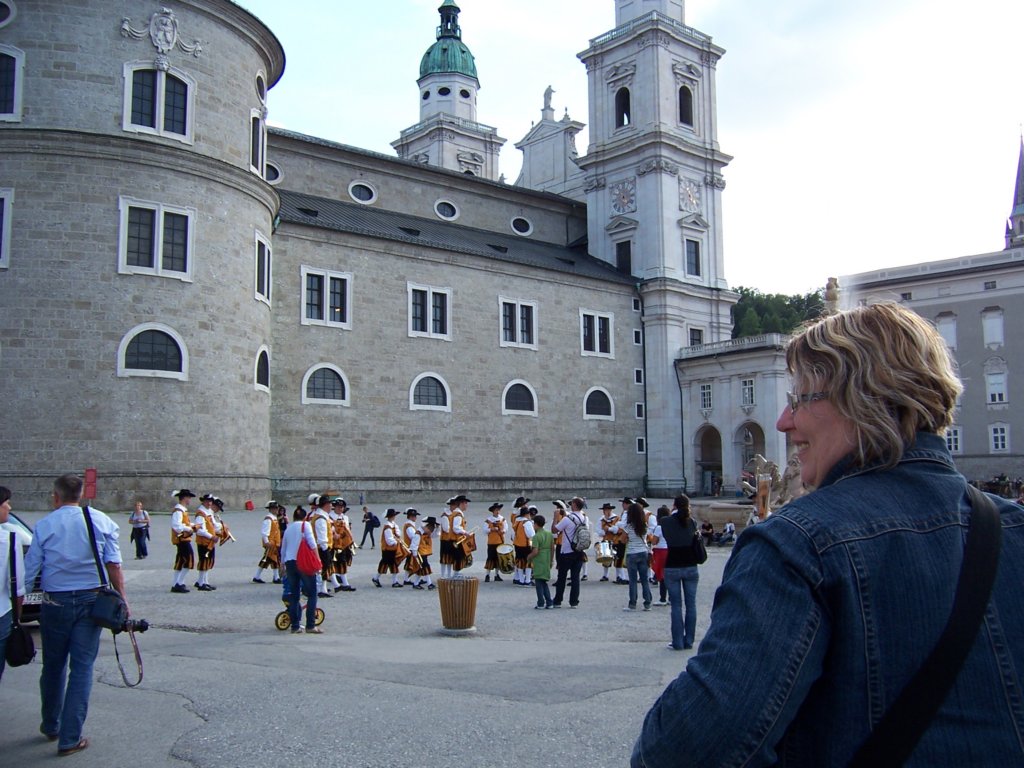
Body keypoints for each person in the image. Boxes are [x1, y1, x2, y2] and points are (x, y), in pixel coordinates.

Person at [632, 302, 1024, 767]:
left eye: (799, 399)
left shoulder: (797, 544)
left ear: (861, 400)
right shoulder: (1014, 527)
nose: (784, 421)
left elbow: (682, 752)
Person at [24, 474, 126, 756]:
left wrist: (20, 602)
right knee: (82, 668)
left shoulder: (45, 525)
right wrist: (123, 599)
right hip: (91, 600)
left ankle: (51, 723)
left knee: (53, 665)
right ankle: (70, 738)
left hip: (55, 602)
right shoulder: (102, 521)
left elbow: (31, 568)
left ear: (55, 496)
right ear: (80, 495)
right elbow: (114, 565)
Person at [659, 495, 700, 650]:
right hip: (690, 565)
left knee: (676, 606)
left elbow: (666, 533)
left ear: (674, 505)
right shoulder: (692, 522)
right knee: (691, 605)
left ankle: (677, 642)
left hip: (673, 565)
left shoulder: (665, 522)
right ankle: (689, 641)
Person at [279, 507, 321, 634]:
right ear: (304, 517)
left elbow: (283, 548)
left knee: (294, 595)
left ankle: (295, 626)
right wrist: (318, 560)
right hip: (303, 561)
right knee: (312, 594)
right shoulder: (305, 525)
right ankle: (310, 625)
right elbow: (312, 544)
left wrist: (282, 565)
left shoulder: (288, 528)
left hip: (290, 562)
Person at [1, 485, 26, 683]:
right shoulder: (9, 539)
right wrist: (17, 619)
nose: (9, 508)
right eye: (6, 503)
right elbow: (17, 588)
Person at [611, 502, 652, 611]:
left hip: (632, 553)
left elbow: (622, 540)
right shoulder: (644, 525)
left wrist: (629, 539)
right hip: (643, 552)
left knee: (633, 580)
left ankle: (632, 603)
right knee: (644, 579)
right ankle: (647, 603)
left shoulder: (629, 526)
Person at [552, 499, 585, 608]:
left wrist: (555, 518)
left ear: (574, 505)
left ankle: (558, 601)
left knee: (562, 577)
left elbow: (554, 530)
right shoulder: (584, 517)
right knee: (575, 577)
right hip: (579, 550)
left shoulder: (567, 519)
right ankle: (574, 602)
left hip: (566, 550)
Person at [170, 489, 197, 593]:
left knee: (180, 561)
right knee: (189, 560)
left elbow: (183, 523)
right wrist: (189, 529)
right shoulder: (178, 511)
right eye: (189, 497)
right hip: (182, 538)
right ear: (184, 498)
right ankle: (179, 582)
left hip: (183, 538)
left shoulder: (182, 510)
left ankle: (176, 583)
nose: (190, 500)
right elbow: (176, 526)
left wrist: (193, 525)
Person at [193, 493, 220, 591]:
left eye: (211, 501)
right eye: (208, 501)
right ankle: (201, 583)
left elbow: (213, 525)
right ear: (203, 502)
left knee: (208, 562)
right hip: (203, 541)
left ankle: (205, 581)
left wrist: (221, 529)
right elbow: (200, 530)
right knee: (204, 561)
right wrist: (211, 536)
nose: (209, 503)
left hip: (209, 541)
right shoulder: (201, 514)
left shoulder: (209, 512)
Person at [527, 514, 555, 609]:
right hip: (547, 558)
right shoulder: (549, 534)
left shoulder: (536, 536)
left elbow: (535, 551)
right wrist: (551, 560)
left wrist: (529, 557)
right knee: (544, 581)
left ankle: (540, 602)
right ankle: (549, 602)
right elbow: (552, 548)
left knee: (538, 582)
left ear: (536, 524)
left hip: (539, 560)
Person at [253, 500, 282, 584]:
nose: (277, 510)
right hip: (271, 542)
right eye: (275, 508)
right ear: (271, 509)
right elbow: (265, 532)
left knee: (271, 559)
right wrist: (266, 541)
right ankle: (275, 577)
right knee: (271, 559)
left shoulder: (274, 518)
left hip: (274, 543)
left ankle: (273, 577)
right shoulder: (268, 519)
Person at [374, 508, 404, 587]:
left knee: (393, 564)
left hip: (392, 548)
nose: (394, 517)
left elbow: (398, 533)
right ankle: (376, 578)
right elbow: (389, 540)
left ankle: (394, 581)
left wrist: (397, 537)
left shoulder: (393, 525)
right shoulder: (387, 527)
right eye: (393, 515)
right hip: (387, 549)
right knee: (385, 563)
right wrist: (396, 542)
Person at [650, 505, 670, 606]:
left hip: (661, 550)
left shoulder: (659, 527)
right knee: (670, 574)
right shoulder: (671, 525)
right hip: (670, 549)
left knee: (662, 575)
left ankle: (663, 598)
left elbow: (654, 541)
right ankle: (671, 598)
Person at [482, 502, 506, 583]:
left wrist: (503, 531)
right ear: (493, 511)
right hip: (491, 542)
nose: (498, 511)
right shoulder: (488, 520)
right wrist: (491, 529)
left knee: (498, 558)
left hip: (500, 541)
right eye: (496, 510)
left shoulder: (502, 519)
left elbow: (506, 528)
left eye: (498, 510)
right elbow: (484, 530)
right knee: (490, 558)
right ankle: (487, 575)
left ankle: (497, 575)